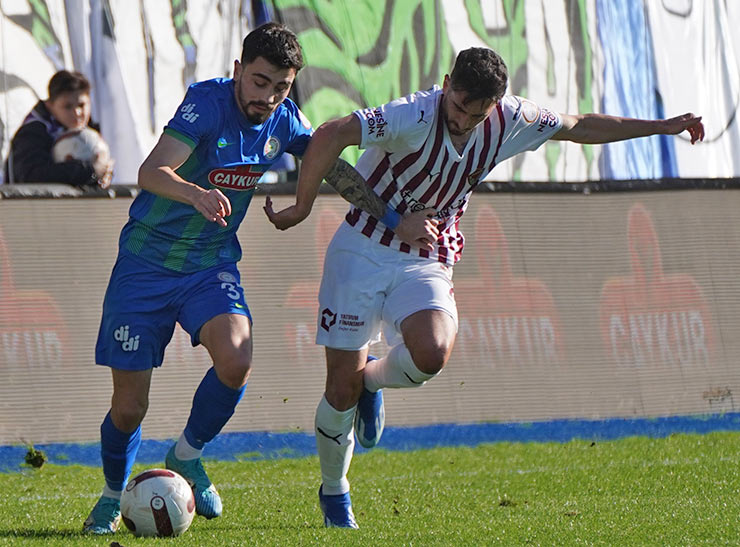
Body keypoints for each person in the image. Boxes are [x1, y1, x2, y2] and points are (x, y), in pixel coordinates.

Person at [264, 46, 705, 528]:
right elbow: (331, 133)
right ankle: (335, 491)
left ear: (494, 106)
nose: (462, 121)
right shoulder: (412, 114)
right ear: (446, 83)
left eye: (476, 115)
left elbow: (579, 126)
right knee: (338, 389)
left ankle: (371, 380)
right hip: (361, 249)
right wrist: (303, 205)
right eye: (457, 106)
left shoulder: (511, 120)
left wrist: (660, 127)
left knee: (432, 352)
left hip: (426, 255)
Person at [81, 22, 311, 535]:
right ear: (238, 70)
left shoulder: (286, 120)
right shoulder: (206, 104)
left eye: (281, 87)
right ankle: (113, 496)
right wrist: (196, 193)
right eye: (259, 82)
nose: (268, 97)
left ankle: (186, 455)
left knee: (237, 358)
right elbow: (151, 172)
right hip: (145, 265)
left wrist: (384, 211)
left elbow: (328, 156)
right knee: (129, 407)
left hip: (210, 264)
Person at [3, 69, 113, 187]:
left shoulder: (88, 129)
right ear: (50, 105)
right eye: (67, 106)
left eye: (81, 105)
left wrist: (104, 173)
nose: (77, 112)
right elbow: (33, 176)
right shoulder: (32, 133)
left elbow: (96, 170)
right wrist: (90, 170)